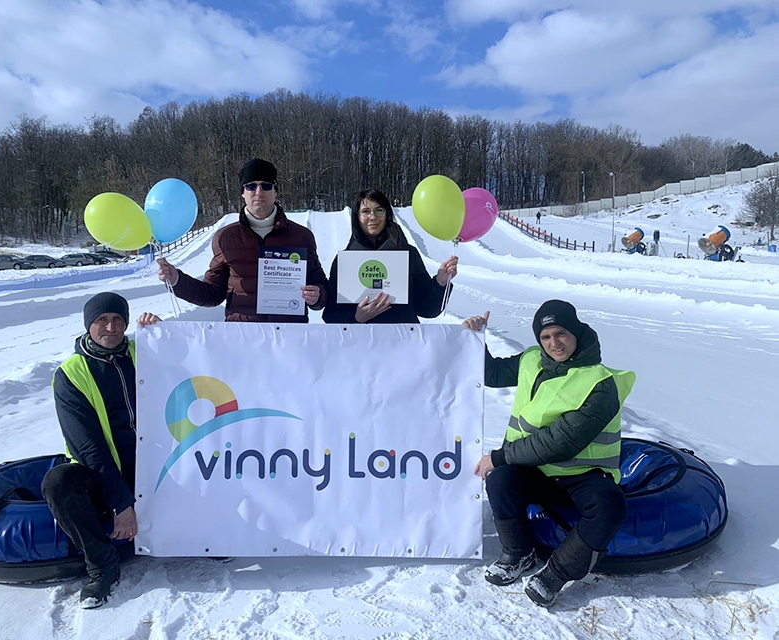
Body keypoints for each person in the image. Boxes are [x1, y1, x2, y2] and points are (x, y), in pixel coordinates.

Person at [464, 300, 635, 606]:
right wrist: (476, 338)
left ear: (576, 333)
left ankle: (554, 575)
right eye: (545, 337)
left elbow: (561, 442)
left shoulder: (600, 383)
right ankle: (518, 553)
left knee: (610, 505)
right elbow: (492, 374)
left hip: (583, 476)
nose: (554, 343)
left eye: (561, 334)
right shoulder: (533, 359)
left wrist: (500, 456)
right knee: (500, 481)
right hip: (538, 471)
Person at [41, 292, 161, 609]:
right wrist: (121, 504)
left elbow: (193, 369)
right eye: (102, 320)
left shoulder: (146, 352)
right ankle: (103, 565)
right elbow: (88, 448)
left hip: (153, 463)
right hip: (102, 469)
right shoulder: (71, 375)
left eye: (118, 319)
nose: (111, 327)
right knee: (59, 482)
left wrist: (167, 338)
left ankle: (209, 534)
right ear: (88, 325)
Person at [157, 158, 328, 322]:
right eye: (251, 186)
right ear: (242, 192)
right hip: (242, 337)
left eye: (266, 186)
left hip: (289, 335)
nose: (259, 192)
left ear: (275, 191)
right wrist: (177, 280)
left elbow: (320, 284)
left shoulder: (301, 236)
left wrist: (318, 295)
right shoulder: (226, 238)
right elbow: (213, 293)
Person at [322, 188, 458, 324]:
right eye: (365, 212)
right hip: (359, 342)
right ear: (357, 217)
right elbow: (331, 315)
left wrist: (439, 283)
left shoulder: (408, 254)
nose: (373, 216)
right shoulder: (344, 261)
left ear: (387, 214)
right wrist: (356, 317)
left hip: (403, 340)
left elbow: (427, 309)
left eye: (379, 210)